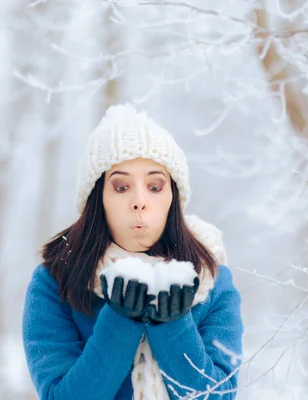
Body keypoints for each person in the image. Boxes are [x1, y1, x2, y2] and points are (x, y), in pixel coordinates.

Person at [22, 104, 244, 399]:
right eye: (121, 186)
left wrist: (173, 325)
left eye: (154, 187)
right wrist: (119, 321)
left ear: (172, 198)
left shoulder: (210, 279)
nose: (139, 201)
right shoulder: (54, 282)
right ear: (96, 198)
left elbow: (220, 395)